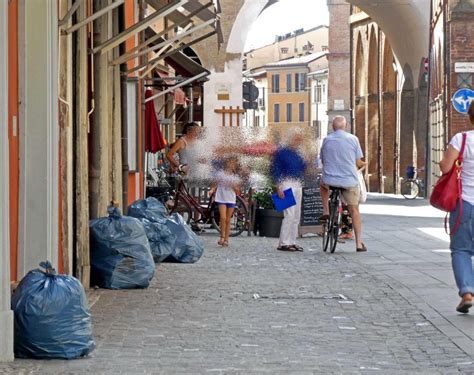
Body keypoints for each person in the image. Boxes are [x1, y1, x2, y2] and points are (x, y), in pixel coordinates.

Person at [439, 101, 474, 314]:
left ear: (470, 117)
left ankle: (467, 292)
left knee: (461, 249)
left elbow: (445, 167)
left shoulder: (461, 140)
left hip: (465, 204)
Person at [319, 116, 367, 252]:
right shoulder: (353, 139)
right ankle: (358, 243)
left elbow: (322, 160)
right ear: (345, 127)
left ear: (333, 127)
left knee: (322, 186)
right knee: (354, 210)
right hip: (349, 181)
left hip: (330, 180)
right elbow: (358, 162)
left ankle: (326, 210)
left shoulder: (327, 140)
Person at [271, 128, 307, 252]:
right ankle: (284, 242)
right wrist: (278, 186)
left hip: (297, 183)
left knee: (296, 215)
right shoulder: (281, 152)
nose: (299, 141)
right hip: (286, 183)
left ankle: (292, 240)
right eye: (297, 138)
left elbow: (303, 168)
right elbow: (276, 170)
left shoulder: (297, 153)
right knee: (289, 214)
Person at [210, 156, 241, 247]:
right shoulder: (220, 174)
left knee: (228, 219)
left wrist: (233, 186)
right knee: (223, 217)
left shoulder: (235, 177)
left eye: (233, 164)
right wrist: (212, 190)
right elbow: (214, 184)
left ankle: (227, 239)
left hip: (231, 199)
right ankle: (222, 236)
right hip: (221, 198)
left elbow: (238, 191)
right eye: (229, 163)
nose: (231, 165)